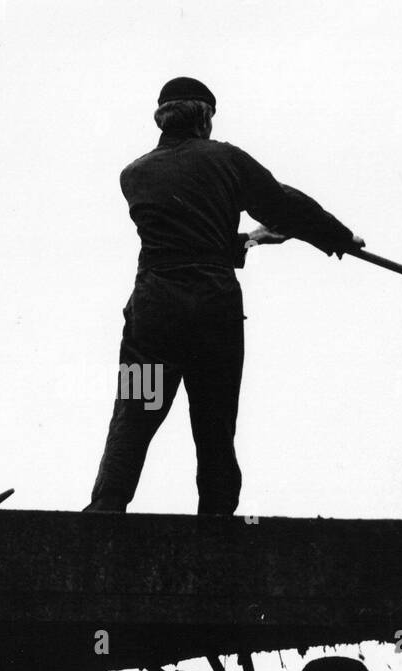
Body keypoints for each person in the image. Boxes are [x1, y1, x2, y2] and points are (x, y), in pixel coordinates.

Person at [85, 76, 362, 515]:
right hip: (214, 311)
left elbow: (183, 233)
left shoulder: (133, 174)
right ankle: (216, 522)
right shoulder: (226, 159)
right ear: (205, 118)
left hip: (152, 317)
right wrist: (337, 236)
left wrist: (248, 240)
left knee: (135, 411)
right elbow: (281, 204)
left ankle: (105, 508)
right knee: (214, 421)